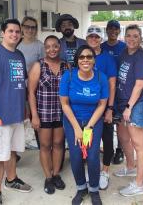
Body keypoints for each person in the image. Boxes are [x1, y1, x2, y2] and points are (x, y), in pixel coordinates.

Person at [0, 18, 32, 205]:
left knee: (11, 151)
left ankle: (11, 179)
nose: (15, 34)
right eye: (11, 31)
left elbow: (20, 85)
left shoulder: (19, 55)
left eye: (17, 32)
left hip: (16, 114)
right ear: (3, 33)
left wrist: (24, 110)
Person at [59, 45, 109, 205]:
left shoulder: (101, 78)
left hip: (93, 122)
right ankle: (81, 188)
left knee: (93, 156)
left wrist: (88, 128)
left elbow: (102, 105)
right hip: (72, 121)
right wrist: (76, 128)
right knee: (75, 156)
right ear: (77, 60)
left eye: (89, 56)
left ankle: (94, 189)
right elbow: (64, 104)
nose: (85, 60)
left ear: (94, 60)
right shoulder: (68, 76)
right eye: (82, 57)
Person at [114, 24, 143, 197]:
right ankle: (130, 167)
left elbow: (140, 84)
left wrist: (129, 107)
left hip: (137, 104)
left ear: (140, 39)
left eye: (135, 36)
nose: (131, 39)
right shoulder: (124, 53)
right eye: (128, 35)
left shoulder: (141, 57)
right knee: (123, 137)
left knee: (139, 144)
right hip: (123, 103)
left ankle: (139, 184)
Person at [28, 35, 68, 194]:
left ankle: (56, 174)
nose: (52, 49)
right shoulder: (38, 66)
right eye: (48, 46)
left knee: (59, 144)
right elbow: (31, 92)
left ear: (60, 47)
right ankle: (48, 177)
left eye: (55, 46)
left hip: (61, 113)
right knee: (45, 145)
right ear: (44, 49)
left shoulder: (66, 66)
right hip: (43, 113)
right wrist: (34, 115)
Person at [86, 25, 117, 190]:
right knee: (88, 138)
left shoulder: (107, 58)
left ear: (101, 39)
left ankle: (105, 170)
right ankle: (92, 168)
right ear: (86, 38)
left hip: (104, 106)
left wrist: (110, 108)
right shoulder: (83, 56)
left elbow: (112, 85)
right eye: (90, 36)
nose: (93, 39)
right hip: (86, 107)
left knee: (107, 138)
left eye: (96, 37)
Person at [17, 16, 45, 151]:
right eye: (27, 26)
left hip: (34, 89)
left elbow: (44, 68)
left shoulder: (39, 46)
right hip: (17, 89)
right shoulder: (16, 44)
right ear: (22, 28)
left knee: (35, 117)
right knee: (18, 120)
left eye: (33, 27)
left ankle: (42, 148)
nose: (30, 30)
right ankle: (14, 151)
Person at [101, 20, 126, 165]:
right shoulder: (101, 47)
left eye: (116, 28)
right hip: (105, 90)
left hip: (120, 89)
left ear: (119, 31)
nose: (113, 31)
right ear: (107, 30)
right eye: (110, 28)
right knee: (105, 123)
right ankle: (107, 149)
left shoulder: (123, 47)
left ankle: (119, 150)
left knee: (119, 123)